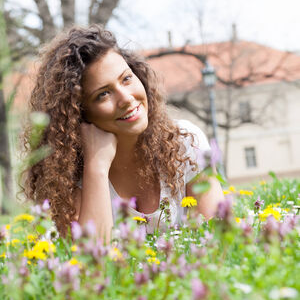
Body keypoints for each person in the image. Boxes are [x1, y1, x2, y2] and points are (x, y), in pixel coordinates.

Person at [22, 24, 224, 241]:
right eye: (103, 94)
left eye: (126, 79)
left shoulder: (185, 142)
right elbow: (92, 263)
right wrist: (96, 167)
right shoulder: (69, 178)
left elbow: (215, 241)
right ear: (79, 113)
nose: (127, 98)